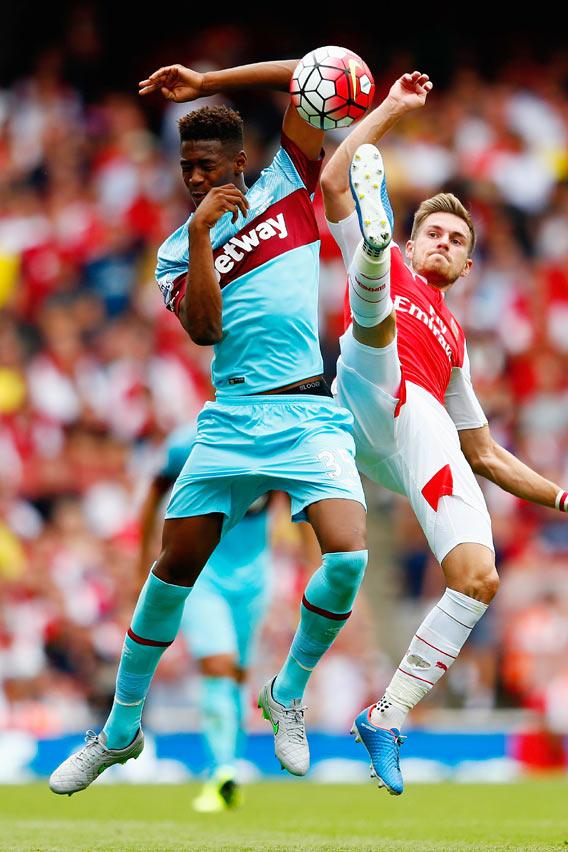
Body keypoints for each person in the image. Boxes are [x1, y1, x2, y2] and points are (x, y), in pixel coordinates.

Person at [49, 57, 368, 796]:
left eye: (205, 165)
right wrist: (199, 236)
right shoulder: (173, 248)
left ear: (239, 159)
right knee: (171, 571)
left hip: (306, 412)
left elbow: (319, 71)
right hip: (228, 422)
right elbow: (204, 329)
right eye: (185, 167)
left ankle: (285, 693)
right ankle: (120, 730)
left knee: (348, 558)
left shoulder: (290, 179)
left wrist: (207, 82)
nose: (194, 177)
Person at [319, 71, 568, 795]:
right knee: (375, 316)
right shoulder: (403, 264)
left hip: (403, 437)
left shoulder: (458, 340)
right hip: (370, 390)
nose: (444, 241)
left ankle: (387, 715)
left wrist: (560, 497)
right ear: (415, 238)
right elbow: (335, 177)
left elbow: (485, 451)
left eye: (457, 239)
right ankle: (367, 258)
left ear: (466, 264)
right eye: (432, 229)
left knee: (479, 578)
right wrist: (393, 109)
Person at [136, 423, 273, 812]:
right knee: (219, 666)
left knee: (239, 675)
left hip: (254, 577)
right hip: (202, 571)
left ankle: (230, 768)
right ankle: (222, 772)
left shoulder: (278, 437)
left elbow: (288, 499)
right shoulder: (188, 443)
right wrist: (142, 564)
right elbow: (153, 496)